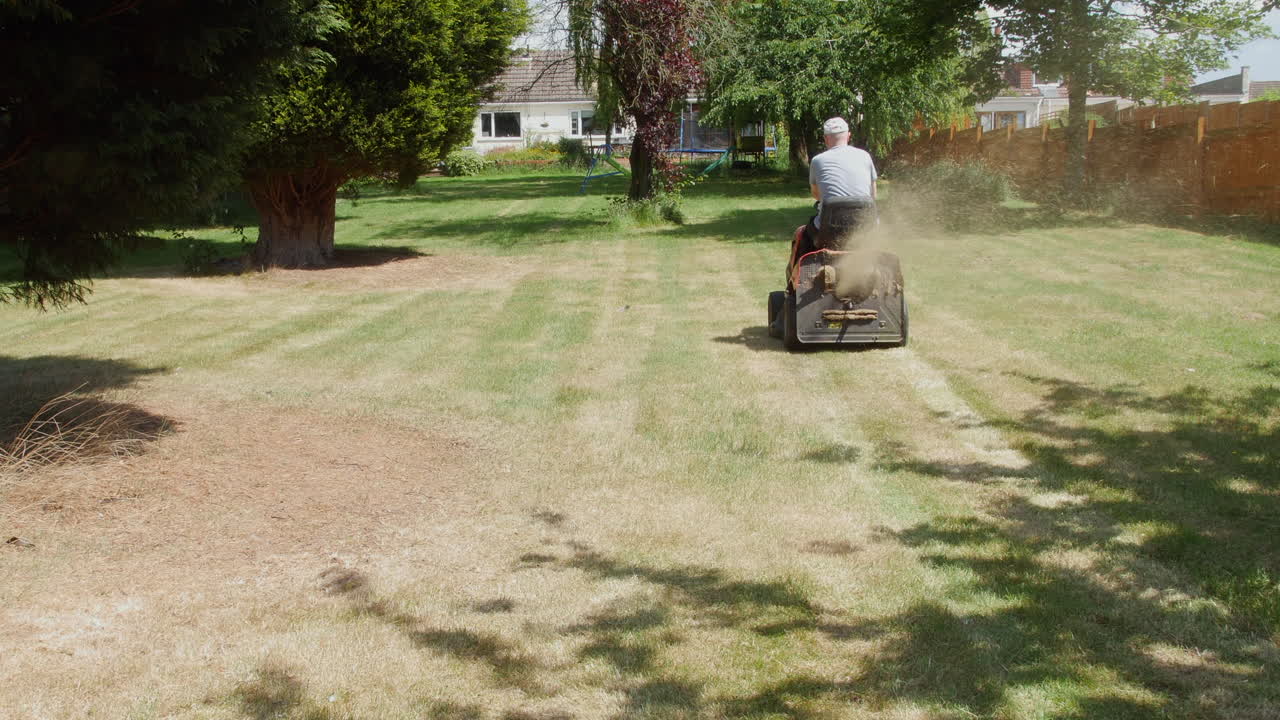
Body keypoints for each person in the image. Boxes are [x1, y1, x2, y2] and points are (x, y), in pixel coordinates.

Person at [788, 117, 878, 280]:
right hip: (865, 228)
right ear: (848, 136)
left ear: (825, 138)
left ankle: (796, 283)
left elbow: (817, 195)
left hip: (828, 232)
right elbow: (873, 195)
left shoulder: (818, 161)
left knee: (802, 235)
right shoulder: (865, 157)